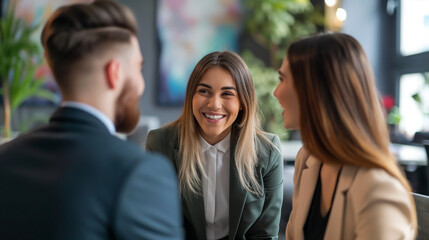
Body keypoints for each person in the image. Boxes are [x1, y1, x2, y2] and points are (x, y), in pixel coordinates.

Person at [0, 1, 183, 240]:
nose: (142, 84)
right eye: (138, 68)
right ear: (114, 73)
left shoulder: (6, 159)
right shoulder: (140, 173)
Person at [274, 32, 417, 240]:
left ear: (316, 91)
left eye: (283, 79)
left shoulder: (379, 191)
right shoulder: (307, 159)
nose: (276, 92)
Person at [146, 51, 283, 240]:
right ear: (191, 97)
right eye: (204, 91)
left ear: (243, 102)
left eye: (227, 94)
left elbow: (265, 235)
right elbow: (156, 226)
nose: (214, 104)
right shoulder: (160, 143)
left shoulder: (268, 151)